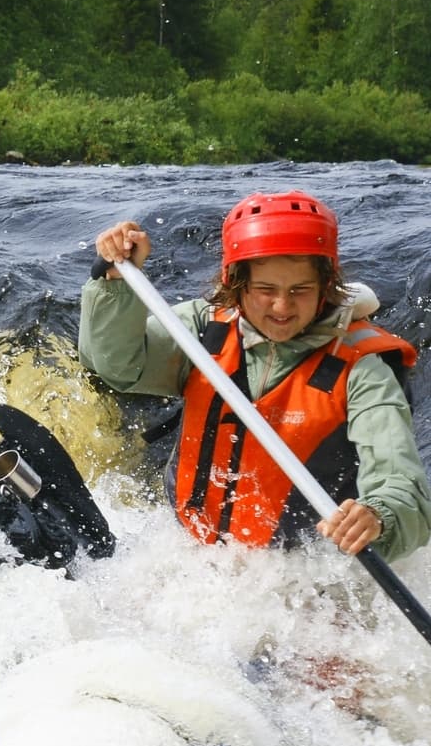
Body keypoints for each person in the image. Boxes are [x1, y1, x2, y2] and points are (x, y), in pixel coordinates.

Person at [81, 189, 431, 563]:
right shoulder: (204, 329)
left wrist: (379, 515)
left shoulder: (364, 369)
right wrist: (116, 281)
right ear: (236, 284)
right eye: (266, 290)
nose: (282, 306)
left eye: (300, 289)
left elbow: (402, 481)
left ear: (326, 286)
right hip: (190, 555)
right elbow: (117, 366)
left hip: (303, 576)